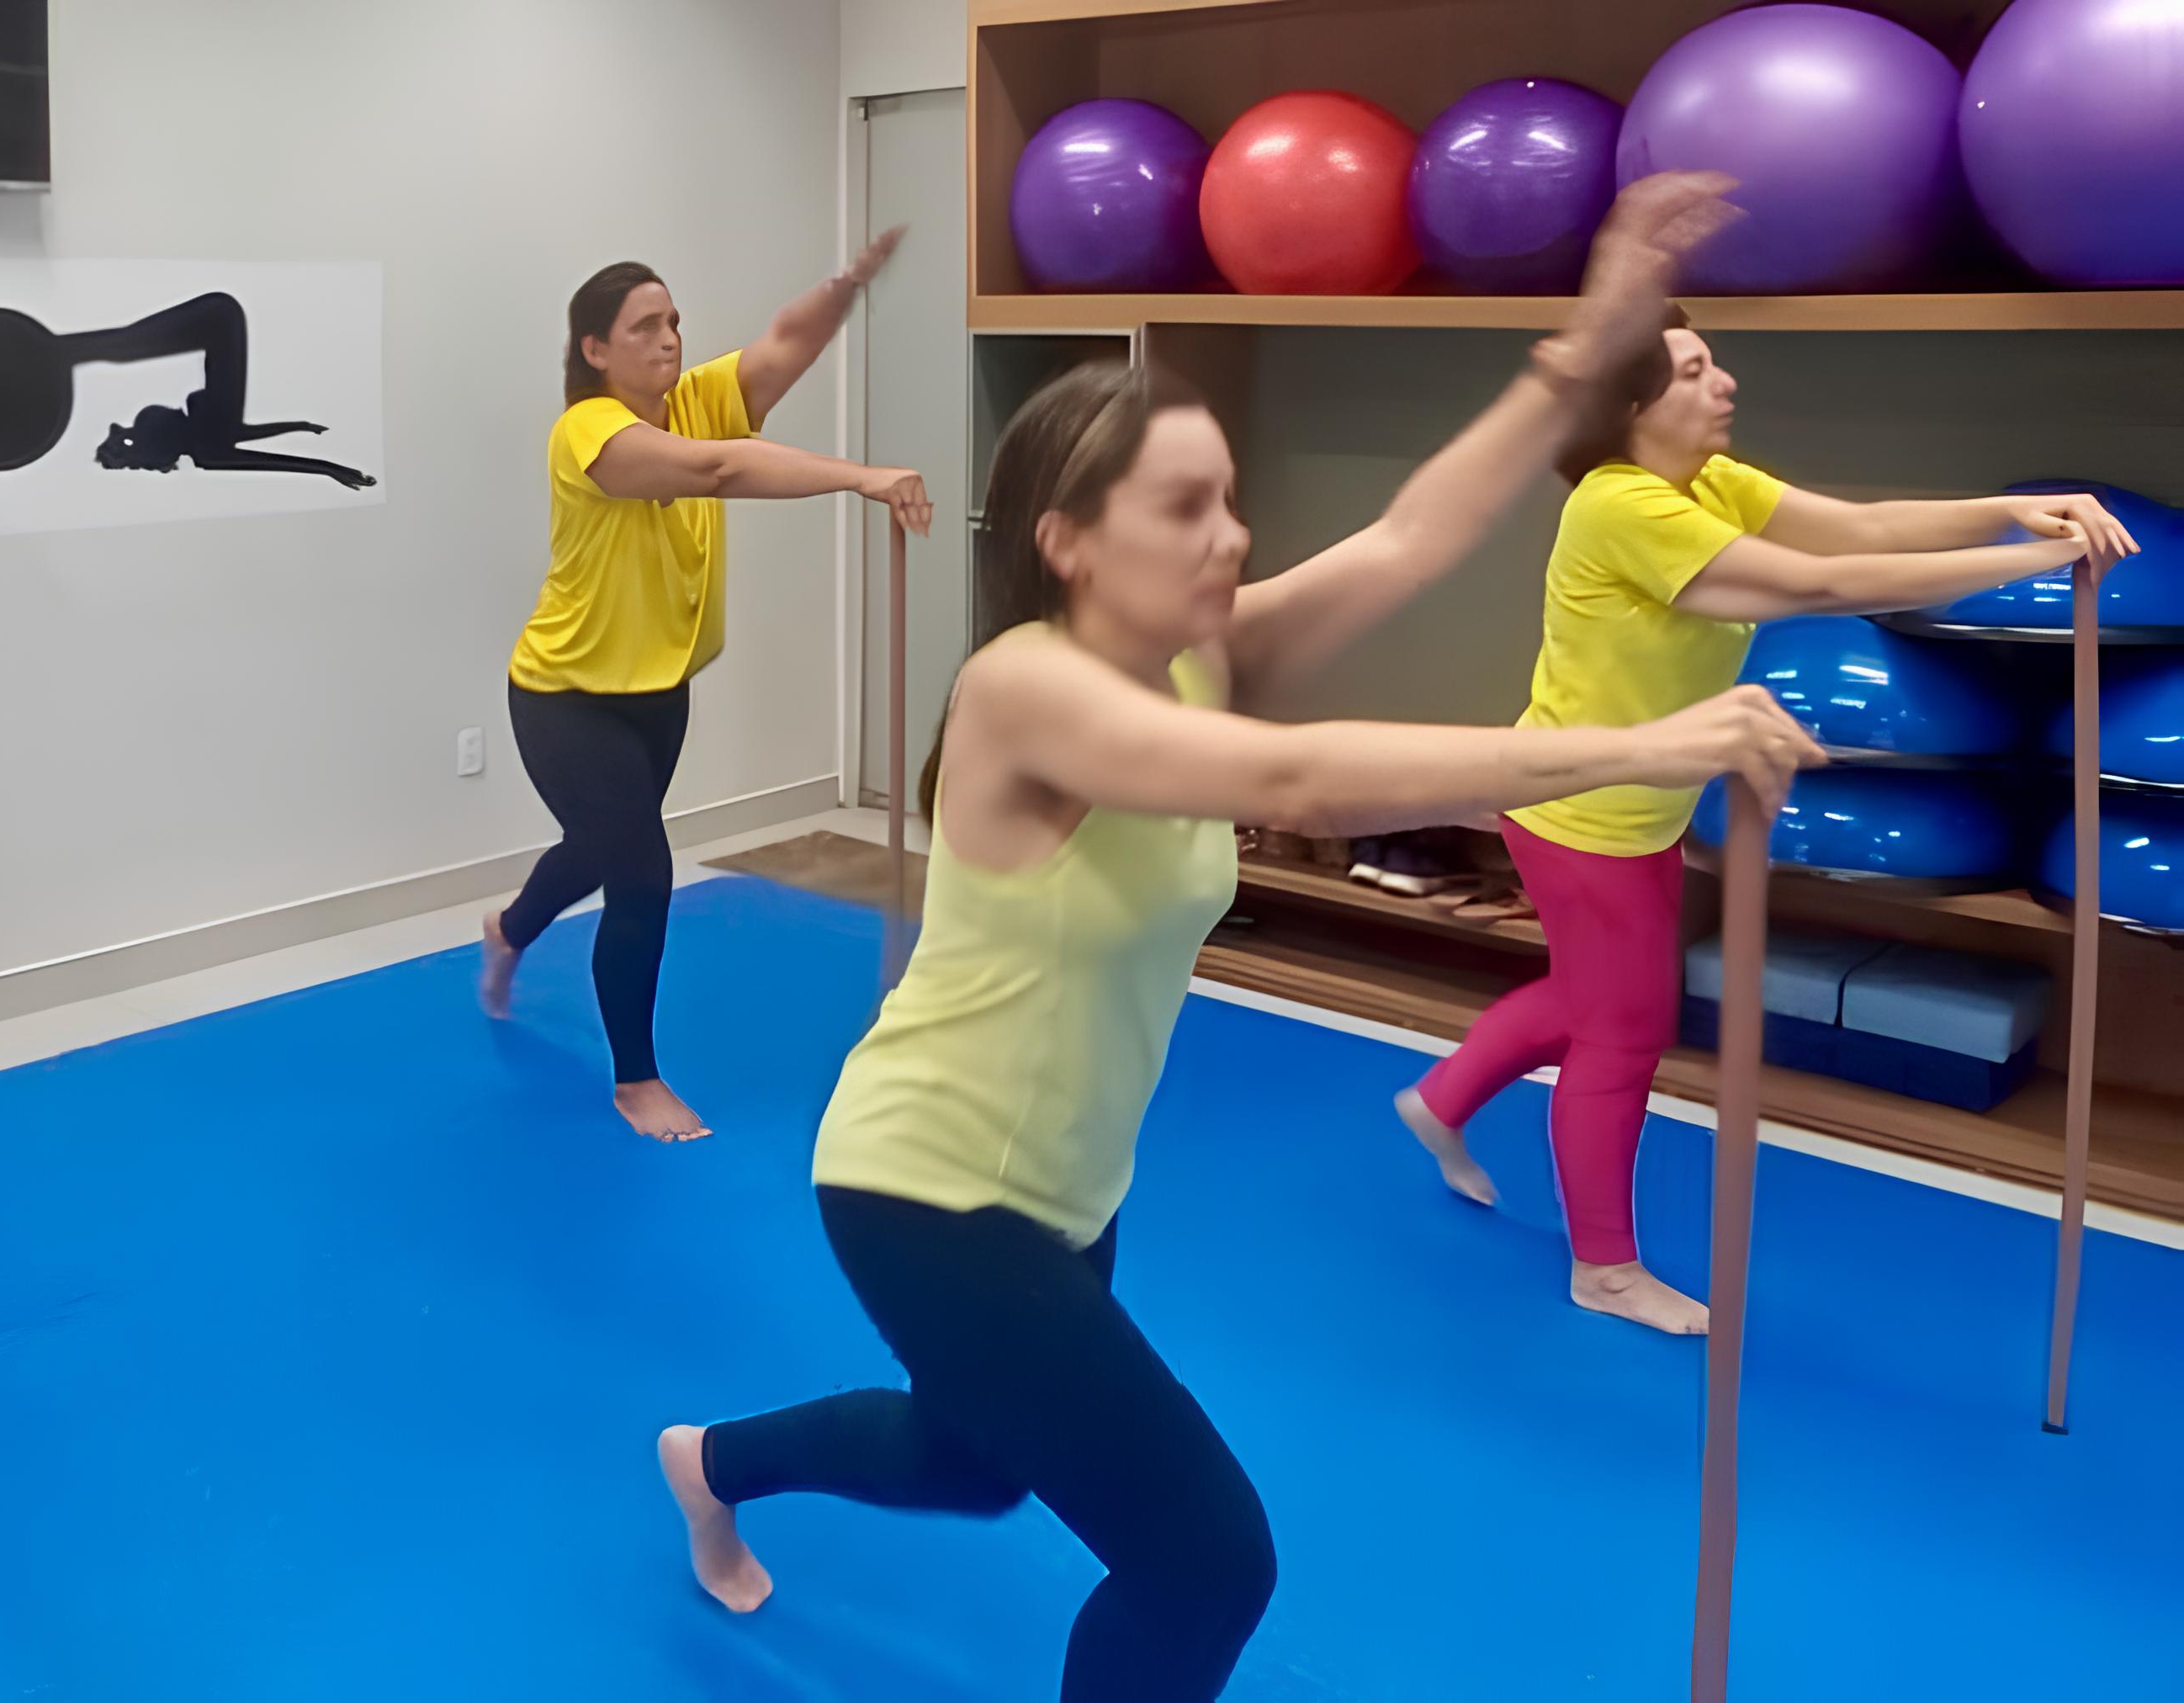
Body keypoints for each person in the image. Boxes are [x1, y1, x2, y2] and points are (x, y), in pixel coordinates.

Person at [654, 174, 1827, 1702]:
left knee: (971, 1460)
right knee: (1208, 1553)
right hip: (925, 1186)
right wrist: (1630, 740)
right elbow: (1288, 777)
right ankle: (718, 1458)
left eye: (1230, 497)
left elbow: (1414, 533)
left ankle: (707, 1457)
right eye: (1188, 507)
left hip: (1066, 1184)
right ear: (1071, 539)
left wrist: (1586, 340)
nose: (1236, 530)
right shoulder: (1024, 689)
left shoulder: (1197, 650)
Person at [1394, 311, 2135, 1335]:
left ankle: (1440, 1098)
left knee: (1592, 994)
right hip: (1583, 815)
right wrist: (2021, 563)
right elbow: (1818, 584)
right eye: (1695, 371)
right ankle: (1602, 1268)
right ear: (1634, 409)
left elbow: (1862, 530)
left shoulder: (1710, 482)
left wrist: (2018, 510)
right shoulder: (1624, 506)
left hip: (1635, 807)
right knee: (1626, 1029)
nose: (1725, 382)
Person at [480, 237, 936, 1141]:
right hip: (565, 695)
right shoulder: (591, 432)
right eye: (644, 327)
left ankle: (507, 930)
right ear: (594, 350)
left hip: (658, 690)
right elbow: (717, 470)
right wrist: (861, 478)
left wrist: (843, 285)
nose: (669, 339)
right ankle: (636, 1080)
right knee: (641, 870)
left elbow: (780, 346)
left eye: (675, 321)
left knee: (601, 845)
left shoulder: (695, 401)